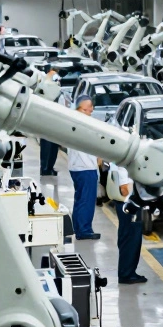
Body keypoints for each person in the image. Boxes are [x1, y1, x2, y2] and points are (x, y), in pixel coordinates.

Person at [68, 95, 101, 240]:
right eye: (87, 110)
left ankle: (79, 227)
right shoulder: (81, 124)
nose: (89, 113)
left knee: (80, 199)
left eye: (90, 110)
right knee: (86, 200)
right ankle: (84, 230)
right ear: (79, 109)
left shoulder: (73, 122)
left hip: (78, 167)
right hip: (85, 168)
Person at [109, 162, 147, 284]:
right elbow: (124, 189)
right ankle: (126, 274)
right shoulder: (123, 167)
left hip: (126, 204)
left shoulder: (118, 161)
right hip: (129, 204)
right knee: (131, 239)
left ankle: (128, 271)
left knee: (128, 238)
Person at [38, 64, 63, 176]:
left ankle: (50, 167)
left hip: (56, 120)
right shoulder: (44, 82)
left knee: (54, 146)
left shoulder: (56, 83)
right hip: (46, 120)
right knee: (46, 145)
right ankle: (44, 168)